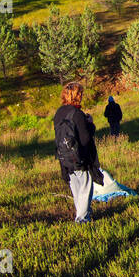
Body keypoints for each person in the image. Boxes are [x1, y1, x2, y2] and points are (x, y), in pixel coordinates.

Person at [53, 81, 103, 223]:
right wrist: (90, 124)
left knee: (76, 188)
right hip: (79, 156)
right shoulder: (77, 114)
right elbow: (85, 138)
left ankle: (83, 214)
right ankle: (82, 219)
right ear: (77, 95)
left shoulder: (59, 113)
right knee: (86, 187)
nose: (82, 96)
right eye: (80, 93)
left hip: (64, 157)